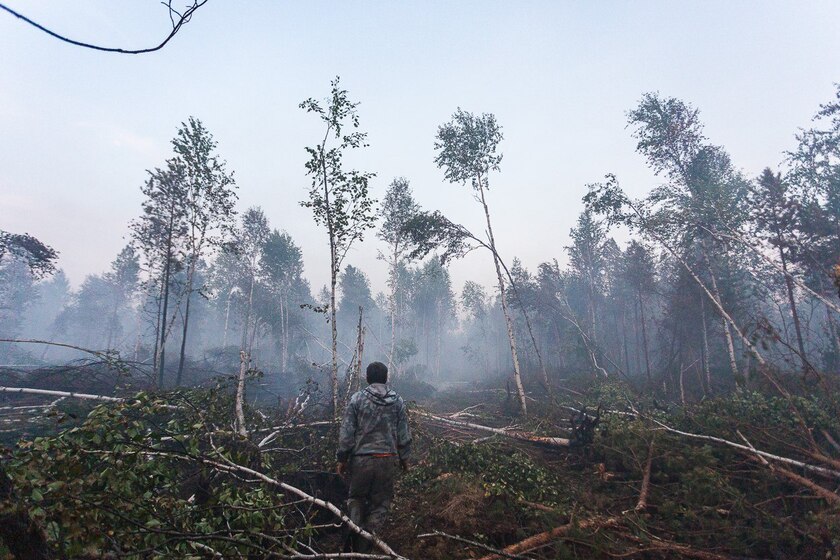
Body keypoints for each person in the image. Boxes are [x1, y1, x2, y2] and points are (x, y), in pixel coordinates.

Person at [337, 361, 411, 552]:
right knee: (381, 503)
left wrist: (342, 459)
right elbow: (403, 434)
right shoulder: (397, 401)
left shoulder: (357, 399)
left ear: (367, 378)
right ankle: (367, 542)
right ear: (385, 378)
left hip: (361, 460)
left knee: (356, 499)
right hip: (387, 460)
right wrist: (404, 459)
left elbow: (347, 432)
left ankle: (354, 533)